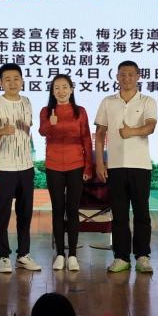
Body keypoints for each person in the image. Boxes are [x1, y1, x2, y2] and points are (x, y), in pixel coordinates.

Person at [94, 60, 158, 273]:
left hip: (140, 166)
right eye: (122, 74)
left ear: (138, 76)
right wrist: (99, 163)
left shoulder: (147, 101)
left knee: (141, 213)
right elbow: (100, 134)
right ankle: (121, 257)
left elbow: (150, 126)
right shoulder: (108, 101)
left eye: (131, 74)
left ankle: (142, 256)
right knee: (119, 215)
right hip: (115, 166)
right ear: (117, 77)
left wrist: (132, 132)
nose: (127, 78)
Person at [0, 63, 41, 273]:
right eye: (7, 79)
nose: (12, 83)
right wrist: (1, 131)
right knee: (2, 213)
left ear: (22, 81)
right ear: (0, 82)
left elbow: (28, 130)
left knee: (25, 213)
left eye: (16, 78)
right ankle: (3, 256)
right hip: (5, 165)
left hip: (26, 165)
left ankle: (23, 255)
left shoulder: (27, 102)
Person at [38, 75, 93, 271]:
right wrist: (51, 123)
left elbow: (86, 139)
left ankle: (73, 256)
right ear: (52, 92)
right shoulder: (46, 111)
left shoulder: (80, 111)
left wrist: (88, 166)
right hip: (54, 166)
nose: (61, 91)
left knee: (72, 210)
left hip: (76, 164)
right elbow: (42, 131)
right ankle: (60, 254)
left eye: (64, 87)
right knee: (57, 209)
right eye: (57, 88)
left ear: (71, 89)